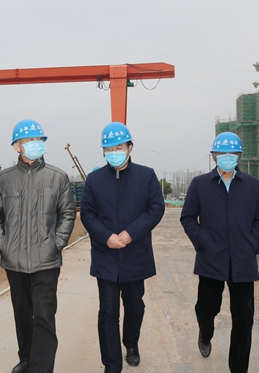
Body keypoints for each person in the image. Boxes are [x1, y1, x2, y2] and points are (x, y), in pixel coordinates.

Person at [0, 119, 76, 373]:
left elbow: (67, 213)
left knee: (44, 316)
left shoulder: (58, 177)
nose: (35, 144)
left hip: (46, 260)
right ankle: (26, 358)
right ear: (16, 146)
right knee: (22, 314)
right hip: (14, 261)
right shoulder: (3, 179)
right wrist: (1, 245)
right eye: (29, 141)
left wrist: (56, 243)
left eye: (39, 140)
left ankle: (41, 368)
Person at [179, 131, 259, 373]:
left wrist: (253, 245)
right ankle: (205, 332)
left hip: (243, 261)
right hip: (211, 259)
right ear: (214, 155)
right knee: (206, 308)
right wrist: (203, 242)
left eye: (232, 153)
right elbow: (188, 217)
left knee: (244, 317)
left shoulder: (252, 185)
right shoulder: (200, 184)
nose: (226, 157)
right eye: (221, 153)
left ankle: (238, 367)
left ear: (239, 155)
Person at [80, 122, 165, 373]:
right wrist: (106, 236)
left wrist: (131, 234)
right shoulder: (94, 180)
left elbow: (155, 209)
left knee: (135, 306)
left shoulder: (146, 176)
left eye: (119, 147)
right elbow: (87, 213)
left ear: (130, 147)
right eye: (108, 148)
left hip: (135, 254)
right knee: (108, 311)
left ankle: (131, 343)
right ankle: (112, 365)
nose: (114, 152)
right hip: (106, 255)